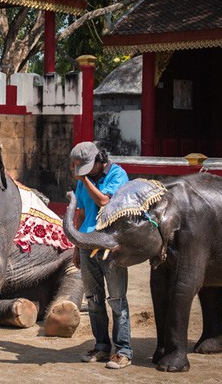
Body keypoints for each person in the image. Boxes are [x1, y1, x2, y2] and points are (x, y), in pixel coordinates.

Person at [70, 141, 132, 369]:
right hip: (87, 245)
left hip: (111, 245)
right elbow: (82, 212)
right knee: (94, 300)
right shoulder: (83, 179)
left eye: (87, 168)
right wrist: (76, 246)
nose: (84, 172)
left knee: (117, 299)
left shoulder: (118, 174)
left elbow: (105, 202)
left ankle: (123, 350)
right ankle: (102, 346)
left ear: (100, 159)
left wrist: (84, 180)